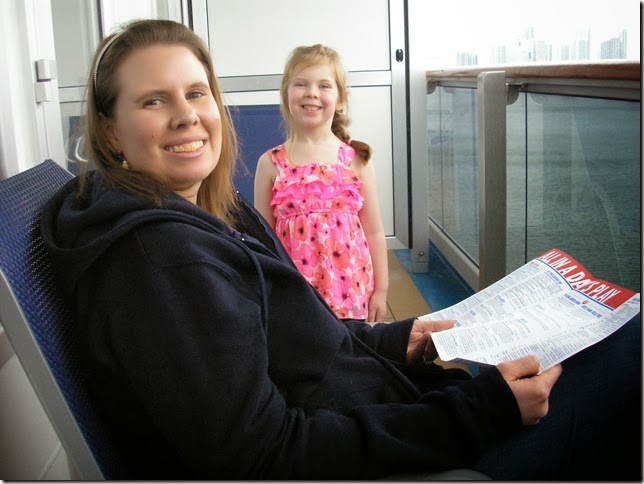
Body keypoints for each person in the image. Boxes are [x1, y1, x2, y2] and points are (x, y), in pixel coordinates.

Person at [40, 19, 641, 480]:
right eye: (153, 100)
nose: (186, 117)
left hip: (380, 404)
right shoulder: (164, 264)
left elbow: (288, 339)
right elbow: (263, 454)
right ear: (110, 130)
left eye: (197, 93)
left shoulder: (207, 213)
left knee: (599, 336)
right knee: (627, 350)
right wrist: (481, 414)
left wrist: (396, 337)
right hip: (393, 452)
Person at [254, 44, 388, 322]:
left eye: (324, 85)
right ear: (286, 95)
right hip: (295, 295)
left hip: (352, 292)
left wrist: (381, 289)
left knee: (353, 346)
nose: (312, 93)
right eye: (301, 84)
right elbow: (262, 239)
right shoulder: (270, 164)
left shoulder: (356, 160)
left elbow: (374, 231)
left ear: (341, 99)